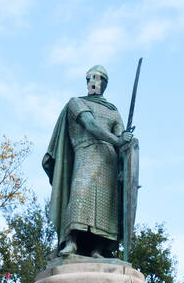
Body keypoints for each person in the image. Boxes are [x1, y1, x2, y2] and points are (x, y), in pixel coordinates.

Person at [42, 65, 136, 257]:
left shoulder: (113, 111)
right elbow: (90, 124)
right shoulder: (76, 103)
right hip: (85, 154)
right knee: (80, 194)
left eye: (99, 78)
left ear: (105, 83)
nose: (94, 82)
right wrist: (117, 139)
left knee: (106, 205)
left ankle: (98, 249)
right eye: (90, 78)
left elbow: (121, 137)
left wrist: (126, 140)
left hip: (108, 161)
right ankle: (71, 241)